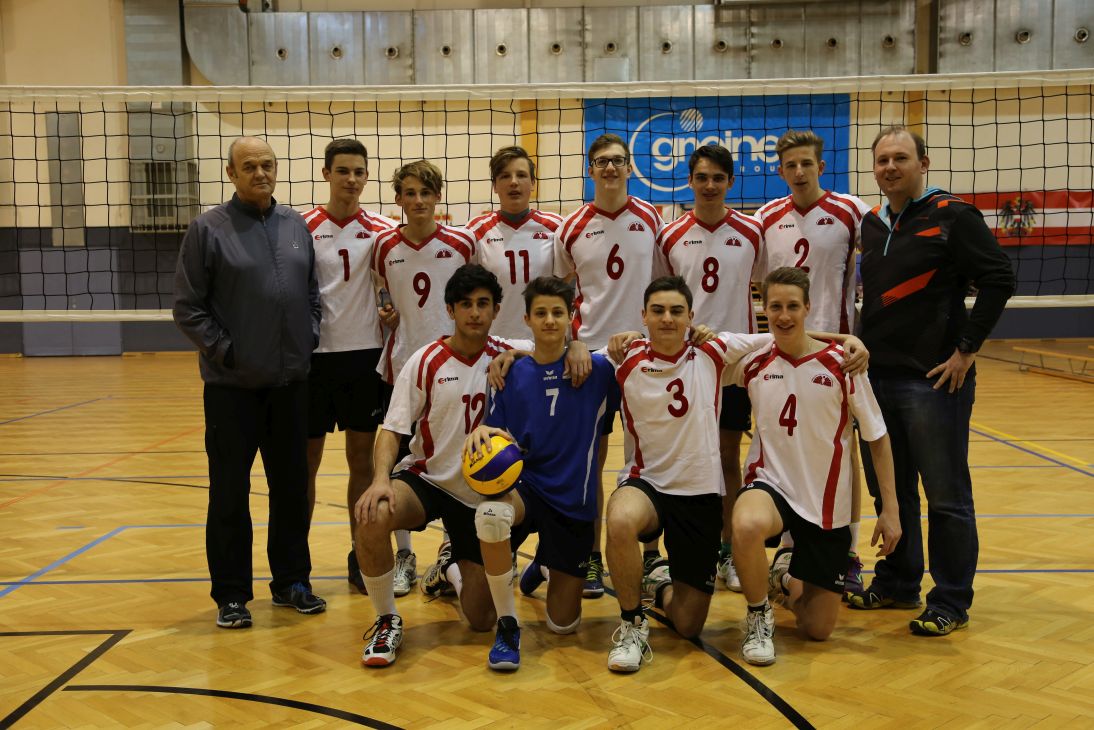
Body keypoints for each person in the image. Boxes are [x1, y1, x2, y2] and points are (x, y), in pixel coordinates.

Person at [851, 125, 1015, 637]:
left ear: (923, 164)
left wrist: (966, 350)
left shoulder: (953, 215)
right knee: (891, 492)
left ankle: (950, 600)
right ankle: (899, 582)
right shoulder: (871, 223)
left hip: (933, 382)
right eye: (882, 160)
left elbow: (999, 277)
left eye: (901, 158)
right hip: (876, 381)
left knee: (946, 497)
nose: (890, 167)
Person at [173, 136, 326, 629]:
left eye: (267, 164)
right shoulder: (208, 229)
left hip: (290, 384)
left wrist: (308, 336)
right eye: (249, 166)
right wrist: (228, 352)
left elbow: (311, 295)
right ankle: (232, 594)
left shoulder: (296, 225)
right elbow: (188, 308)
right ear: (231, 173)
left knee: (291, 489)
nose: (260, 173)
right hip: (231, 389)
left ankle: (291, 581)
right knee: (229, 495)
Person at [354, 264, 532, 667]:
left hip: (482, 494)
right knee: (372, 513)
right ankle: (386, 620)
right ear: (450, 310)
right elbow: (392, 429)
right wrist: (380, 479)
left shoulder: (510, 355)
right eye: (465, 304)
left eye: (483, 304)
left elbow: (557, 348)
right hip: (430, 479)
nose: (475, 313)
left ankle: (450, 565)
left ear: (496, 309)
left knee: (481, 620)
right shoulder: (426, 360)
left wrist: (521, 354)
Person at [600, 276, 776, 673]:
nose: (667, 318)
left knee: (688, 624)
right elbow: (559, 352)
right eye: (658, 310)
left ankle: (659, 582)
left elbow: (783, 335)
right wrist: (572, 346)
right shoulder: (625, 356)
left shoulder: (713, 350)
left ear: (691, 317)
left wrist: (848, 340)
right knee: (621, 519)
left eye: (676, 311)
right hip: (647, 483)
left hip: (699, 494)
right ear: (643, 316)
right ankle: (631, 624)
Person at [730, 266, 901, 666]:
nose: (783, 315)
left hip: (825, 505)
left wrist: (890, 510)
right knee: (746, 524)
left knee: (818, 629)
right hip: (771, 485)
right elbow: (689, 350)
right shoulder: (752, 363)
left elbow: (877, 437)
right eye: (775, 306)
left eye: (792, 306)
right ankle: (758, 616)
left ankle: (784, 575)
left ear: (808, 307)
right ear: (763, 308)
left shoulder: (842, 365)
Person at [463, 276, 618, 671]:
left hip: (572, 500)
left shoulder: (598, 369)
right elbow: (494, 431)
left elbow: (635, 347)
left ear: (570, 318)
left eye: (558, 313)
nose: (549, 320)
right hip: (525, 488)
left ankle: (543, 564)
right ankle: (507, 626)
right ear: (527, 319)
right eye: (541, 313)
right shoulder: (509, 372)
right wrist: (481, 431)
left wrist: (580, 346)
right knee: (491, 516)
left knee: (562, 625)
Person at [756, 129, 873, 596]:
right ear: (780, 170)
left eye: (806, 163)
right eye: (791, 165)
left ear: (821, 167)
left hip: (837, 356)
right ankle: (791, 547)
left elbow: (882, 263)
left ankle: (848, 550)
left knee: (846, 453)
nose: (799, 171)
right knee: (784, 447)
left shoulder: (851, 210)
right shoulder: (766, 218)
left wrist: (860, 335)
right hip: (784, 352)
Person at [555, 133, 665, 597]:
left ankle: (652, 555)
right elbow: (558, 291)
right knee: (590, 463)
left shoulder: (652, 218)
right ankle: (591, 557)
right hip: (593, 359)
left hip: (644, 356)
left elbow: (665, 284)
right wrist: (571, 343)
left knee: (648, 460)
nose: (611, 168)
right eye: (602, 161)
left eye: (618, 160)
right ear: (590, 169)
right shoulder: (572, 226)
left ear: (629, 167)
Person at [657, 144, 763, 592]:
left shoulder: (753, 231)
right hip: (685, 364)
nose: (709, 185)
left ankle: (729, 550)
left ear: (730, 182)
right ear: (690, 180)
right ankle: (673, 552)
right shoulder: (670, 235)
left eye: (718, 178)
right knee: (681, 457)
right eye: (701, 177)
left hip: (734, 363)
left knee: (727, 456)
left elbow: (767, 283)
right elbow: (662, 295)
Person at [370, 159, 477, 594]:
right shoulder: (383, 245)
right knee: (401, 462)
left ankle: (452, 547)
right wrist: (388, 311)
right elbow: (381, 287)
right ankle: (404, 554)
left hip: (453, 370)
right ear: (398, 198)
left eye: (425, 193)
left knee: (454, 458)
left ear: (437, 197)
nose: (417, 201)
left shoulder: (461, 242)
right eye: (409, 193)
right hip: (402, 368)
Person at [302, 139, 398, 595]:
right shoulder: (303, 227)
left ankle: (361, 556)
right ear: (326, 174)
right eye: (342, 171)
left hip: (363, 358)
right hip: (313, 360)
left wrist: (389, 307)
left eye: (359, 171)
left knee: (362, 461)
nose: (351, 179)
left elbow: (391, 282)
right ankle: (296, 564)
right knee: (306, 464)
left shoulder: (382, 230)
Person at [468, 146, 563, 339]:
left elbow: (566, 280)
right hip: (494, 342)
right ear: (495, 186)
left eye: (521, 175)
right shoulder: (475, 231)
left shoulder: (557, 227)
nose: (513, 182)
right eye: (505, 176)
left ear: (533, 183)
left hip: (545, 343)